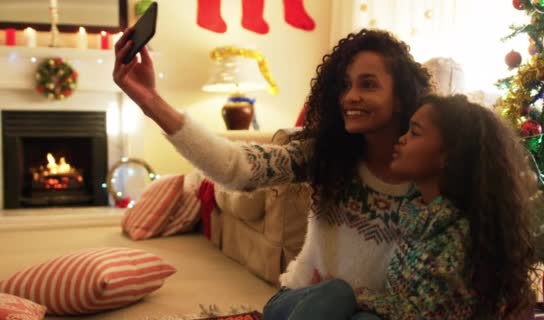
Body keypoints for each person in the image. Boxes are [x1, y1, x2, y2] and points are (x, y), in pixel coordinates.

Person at [113, 28, 431, 319]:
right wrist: (150, 101)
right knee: (336, 294)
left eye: (368, 84)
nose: (350, 96)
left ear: (401, 97)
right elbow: (236, 167)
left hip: (371, 313)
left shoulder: (430, 181)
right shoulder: (325, 155)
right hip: (300, 301)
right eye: (345, 85)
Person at [351, 94, 540, 319]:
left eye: (415, 132)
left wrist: (360, 297)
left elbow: (428, 314)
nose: (402, 139)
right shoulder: (416, 217)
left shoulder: (460, 235)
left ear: (449, 155)